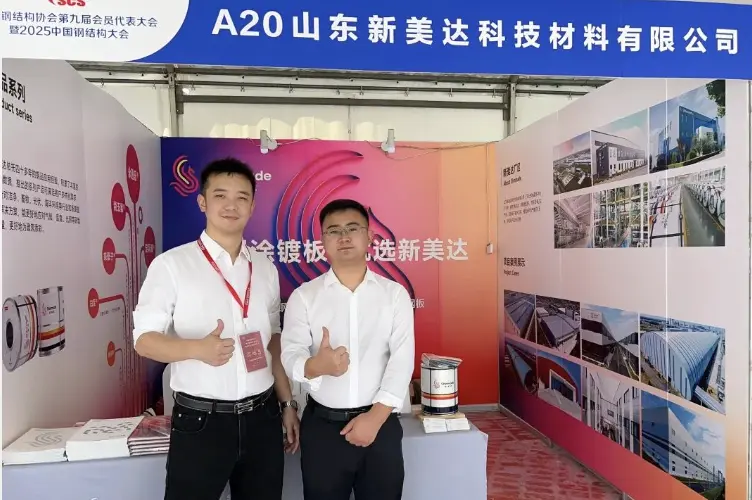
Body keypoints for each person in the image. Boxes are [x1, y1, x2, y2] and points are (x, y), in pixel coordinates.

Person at [133, 158, 300, 500]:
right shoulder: (172, 265)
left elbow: (272, 342)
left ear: (252, 206)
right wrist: (196, 349)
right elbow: (144, 341)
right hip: (201, 421)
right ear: (202, 202)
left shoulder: (264, 268)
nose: (231, 205)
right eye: (220, 195)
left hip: (263, 416)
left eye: (241, 197)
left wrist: (287, 404)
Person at [281, 198, 415, 500]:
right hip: (323, 430)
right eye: (334, 230)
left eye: (353, 228)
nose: (343, 237)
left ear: (369, 237)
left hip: (380, 425)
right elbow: (290, 353)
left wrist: (375, 419)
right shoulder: (304, 296)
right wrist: (316, 366)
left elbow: (402, 360)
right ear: (322, 242)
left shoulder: (394, 295)